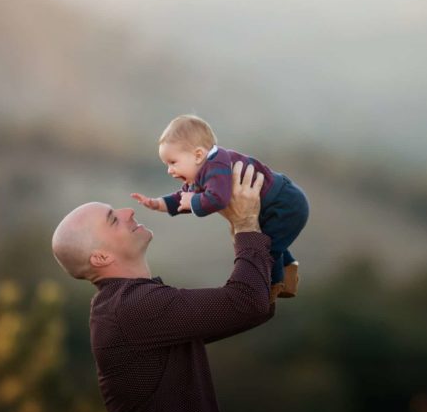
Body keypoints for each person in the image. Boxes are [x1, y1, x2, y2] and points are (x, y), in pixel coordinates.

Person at [52, 162, 275, 412]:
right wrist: (246, 226)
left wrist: (251, 228)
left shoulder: (128, 305)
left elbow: (255, 306)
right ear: (101, 258)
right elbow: (248, 303)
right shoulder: (132, 308)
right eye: (112, 219)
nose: (128, 211)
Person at [131, 114, 309, 303]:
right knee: (271, 240)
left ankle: (273, 286)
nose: (169, 170)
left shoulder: (217, 167)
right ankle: (288, 272)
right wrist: (158, 203)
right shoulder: (202, 171)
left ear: (198, 155)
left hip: (286, 205)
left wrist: (193, 201)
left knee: (266, 249)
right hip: (276, 205)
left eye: (173, 162)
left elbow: (218, 199)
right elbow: (185, 197)